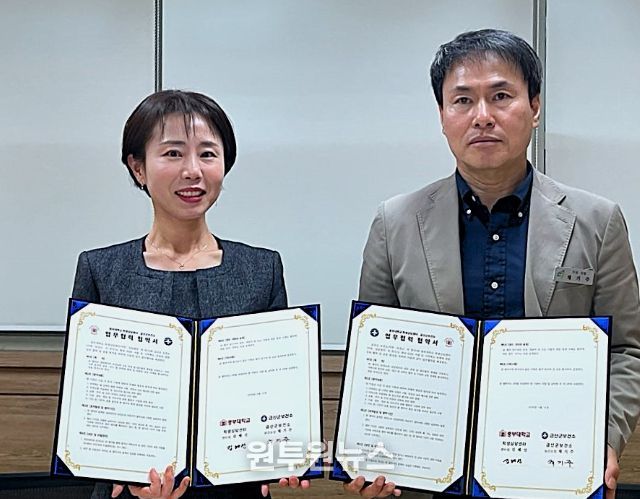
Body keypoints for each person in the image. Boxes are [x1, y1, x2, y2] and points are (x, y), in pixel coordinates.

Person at [346, 29, 640, 499]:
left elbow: (627, 351)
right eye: (462, 100)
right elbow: (375, 358)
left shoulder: (597, 221)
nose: (482, 116)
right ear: (442, 116)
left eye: (501, 96)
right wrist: (372, 454)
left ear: (535, 107)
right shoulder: (394, 222)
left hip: (552, 473)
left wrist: (603, 440)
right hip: (429, 481)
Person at [71, 90, 310, 499]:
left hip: (234, 491)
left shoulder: (261, 269)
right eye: (173, 154)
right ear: (138, 167)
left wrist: (281, 454)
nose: (193, 171)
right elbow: (90, 404)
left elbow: (274, 394)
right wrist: (118, 469)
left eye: (208, 154)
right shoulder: (101, 270)